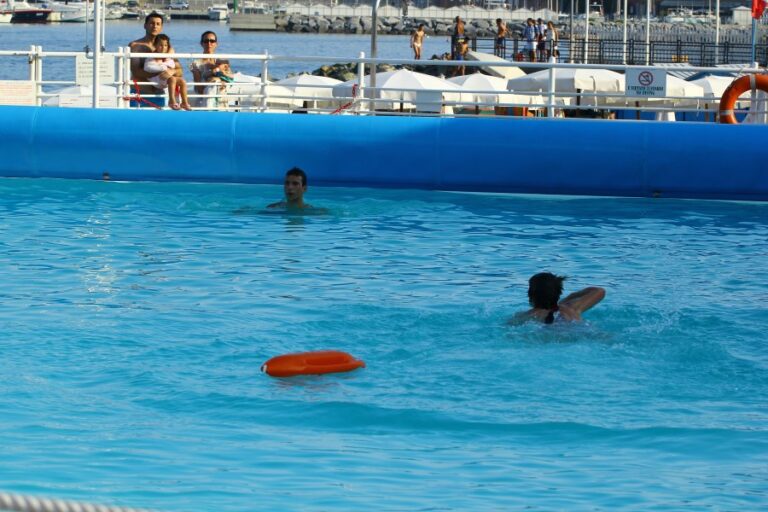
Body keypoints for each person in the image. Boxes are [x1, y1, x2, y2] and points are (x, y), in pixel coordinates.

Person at [129, 12, 181, 107]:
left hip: (159, 94)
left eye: (158, 24)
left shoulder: (168, 49)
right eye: (151, 23)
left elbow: (179, 71)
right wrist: (162, 72)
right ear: (145, 25)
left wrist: (172, 71)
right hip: (139, 93)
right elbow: (136, 71)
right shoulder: (135, 46)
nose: (155, 26)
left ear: (161, 27)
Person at [513, 272, 606, 324]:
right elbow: (599, 291)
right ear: (559, 292)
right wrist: (570, 296)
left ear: (530, 294)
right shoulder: (572, 308)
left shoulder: (524, 316)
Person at [144, 34, 191, 110]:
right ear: (155, 45)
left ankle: (184, 102)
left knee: (182, 81)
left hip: (167, 79)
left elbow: (172, 66)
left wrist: (170, 69)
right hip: (156, 79)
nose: (163, 48)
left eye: (165, 45)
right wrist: (163, 68)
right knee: (172, 79)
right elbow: (147, 67)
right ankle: (172, 101)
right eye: (160, 45)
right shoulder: (152, 56)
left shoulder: (168, 57)